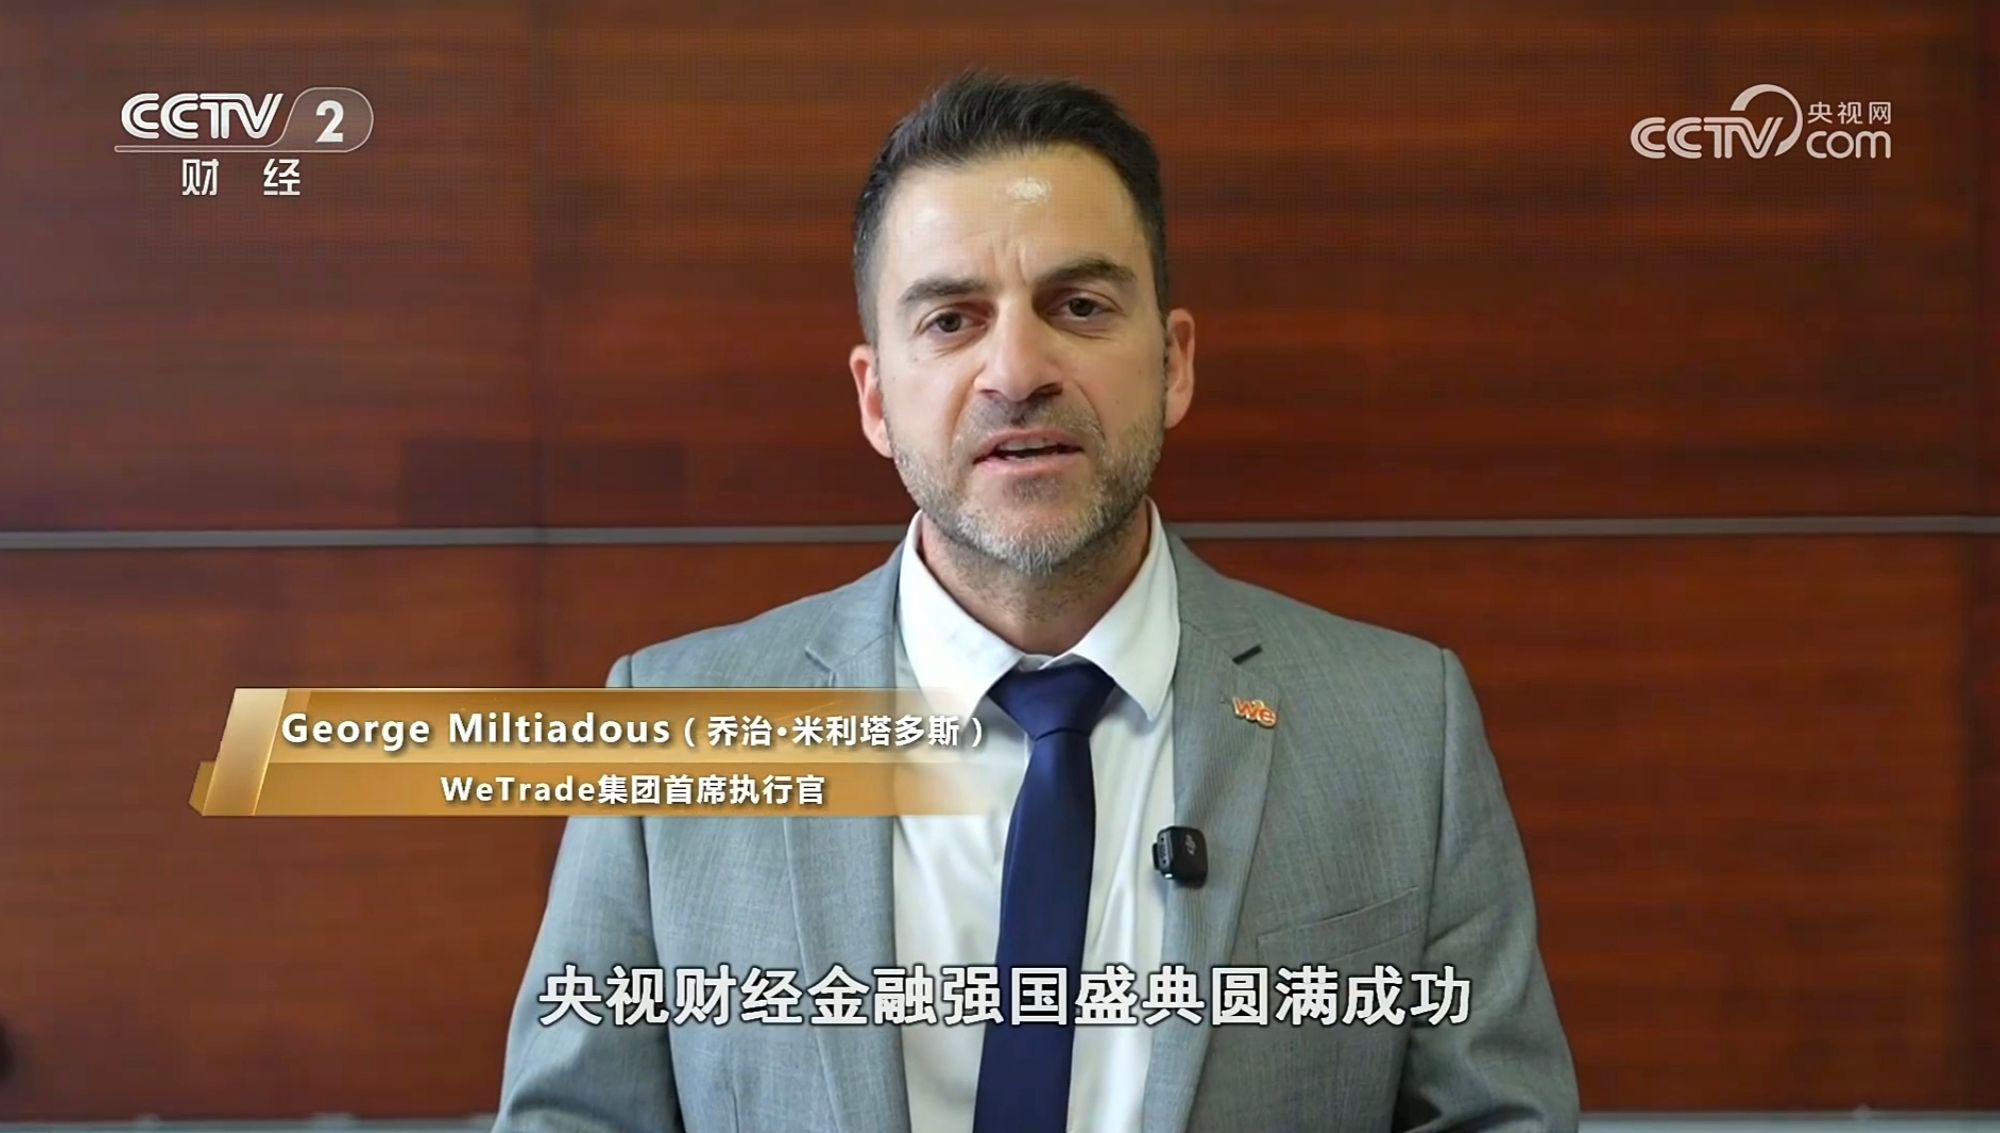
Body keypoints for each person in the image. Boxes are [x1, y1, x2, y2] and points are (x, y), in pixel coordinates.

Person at [494, 70, 1578, 1133]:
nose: (1016, 371)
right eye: (950, 320)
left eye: (1079, 306)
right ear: (875, 399)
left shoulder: (1402, 727)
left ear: (1173, 363)